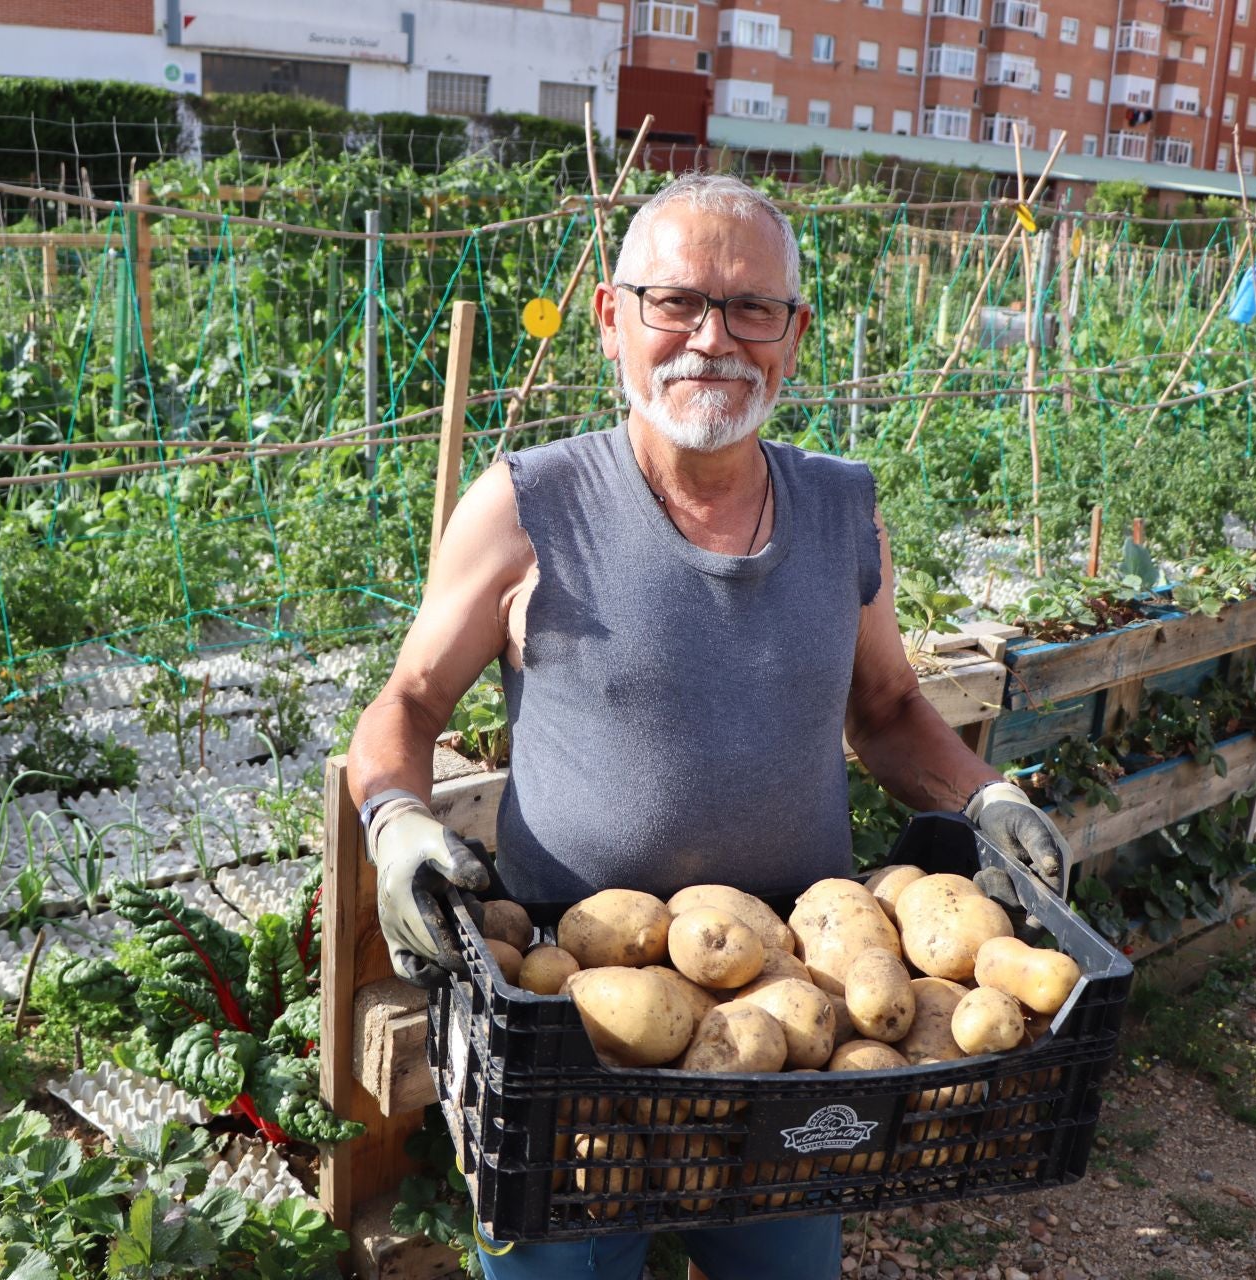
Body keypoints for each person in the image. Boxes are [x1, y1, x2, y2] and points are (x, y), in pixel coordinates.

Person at [345, 173, 1073, 1280]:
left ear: (796, 334)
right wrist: (396, 821)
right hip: (571, 1027)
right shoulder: (529, 502)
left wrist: (985, 795)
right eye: (676, 301)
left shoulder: (842, 509)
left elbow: (887, 710)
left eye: (751, 308)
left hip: (799, 1011)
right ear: (611, 319)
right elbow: (405, 703)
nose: (712, 339)